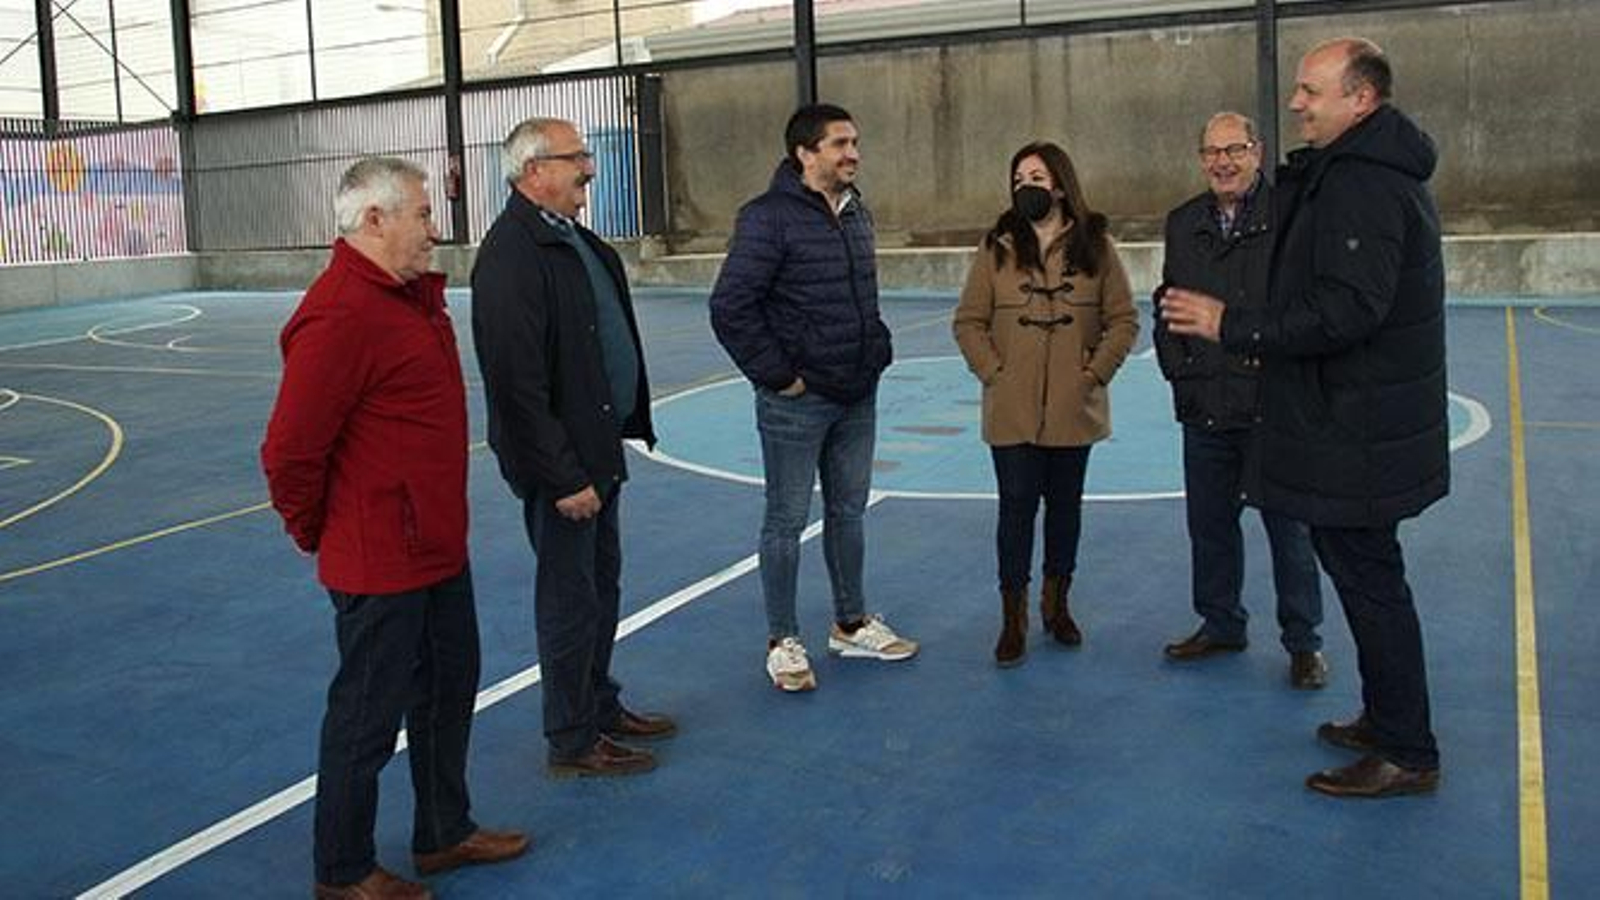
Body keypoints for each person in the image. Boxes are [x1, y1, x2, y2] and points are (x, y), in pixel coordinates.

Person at [1161, 38, 1447, 798]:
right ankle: (1388, 720)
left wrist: (1233, 325)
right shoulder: (1357, 172)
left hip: (1359, 427)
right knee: (1368, 576)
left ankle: (1407, 750)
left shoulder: (1364, 185)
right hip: (1361, 419)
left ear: (1361, 98)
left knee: (1372, 584)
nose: (1296, 104)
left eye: (1311, 91)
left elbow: (1347, 309)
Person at [261, 157, 527, 900]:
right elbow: (290, 452)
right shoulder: (341, 314)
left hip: (436, 544)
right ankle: (343, 870)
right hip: (379, 557)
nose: (434, 229)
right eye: (422, 214)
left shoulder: (409, 299)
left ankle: (443, 830)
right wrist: (320, 533)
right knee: (366, 716)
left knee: (448, 689)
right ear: (374, 219)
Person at [472, 118, 675, 778]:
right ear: (534, 172)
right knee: (569, 600)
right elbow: (516, 384)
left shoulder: (570, 239)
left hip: (597, 449)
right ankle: (571, 737)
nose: (589, 167)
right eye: (576, 157)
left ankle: (597, 705)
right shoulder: (512, 256)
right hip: (565, 467)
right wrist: (562, 476)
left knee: (599, 588)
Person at [709, 103, 918, 693]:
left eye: (855, 142)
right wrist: (780, 376)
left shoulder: (856, 212)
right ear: (805, 153)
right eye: (839, 144)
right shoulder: (767, 218)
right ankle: (783, 640)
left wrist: (874, 351)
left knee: (849, 510)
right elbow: (730, 305)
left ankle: (851, 623)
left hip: (856, 392)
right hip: (797, 402)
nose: (853, 153)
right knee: (785, 519)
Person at [1153, 112, 1327, 689]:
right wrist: (1180, 373)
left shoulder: (1291, 218)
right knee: (1209, 527)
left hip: (1272, 409)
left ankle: (1303, 642)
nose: (1222, 162)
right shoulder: (1183, 223)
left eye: (1234, 150)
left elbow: (1305, 311)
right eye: (1212, 152)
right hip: (1205, 405)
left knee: (1290, 532)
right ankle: (1221, 622)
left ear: (1258, 151)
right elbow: (1168, 304)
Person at [952, 141, 1139, 667]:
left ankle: (1057, 606)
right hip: (1011, 408)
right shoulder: (996, 248)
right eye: (1018, 180)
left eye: (1035, 177)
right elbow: (968, 322)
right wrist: (995, 374)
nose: (1025, 187)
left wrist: (1093, 374)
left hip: (1074, 407)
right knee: (1015, 508)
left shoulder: (1097, 246)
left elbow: (1123, 320)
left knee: (1065, 509)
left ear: (1059, 185)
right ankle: (1012, 618)